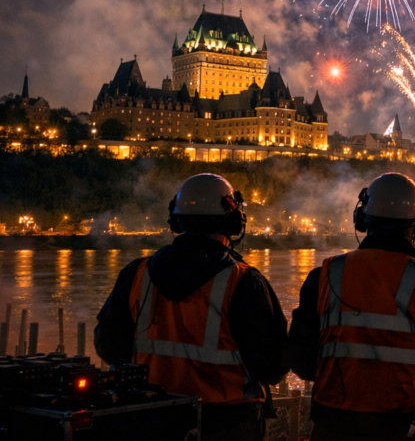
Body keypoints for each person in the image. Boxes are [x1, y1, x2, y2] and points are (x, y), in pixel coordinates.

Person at [287, 173, 415, 441]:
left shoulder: (323, 277)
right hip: (410, 429)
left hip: (334, 428)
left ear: (362, 218)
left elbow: (301, 361)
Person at [95, 173, 288, 441]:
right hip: (228, 423)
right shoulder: (243, 282)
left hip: (153, 418)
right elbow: (272, 366)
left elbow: (108, 346)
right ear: (233, 221)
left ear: (176, 220)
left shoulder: (136, 274)